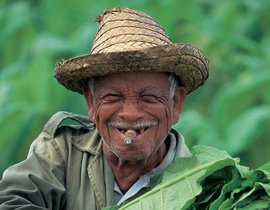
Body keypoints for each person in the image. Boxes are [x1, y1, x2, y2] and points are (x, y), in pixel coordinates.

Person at [0, 7, 209, 210]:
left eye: (148, 98)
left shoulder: (205, 185)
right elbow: (10, 201)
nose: (130, 113)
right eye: (113, 97)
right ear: (91, 103)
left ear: (176, 103)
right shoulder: (61, 152)